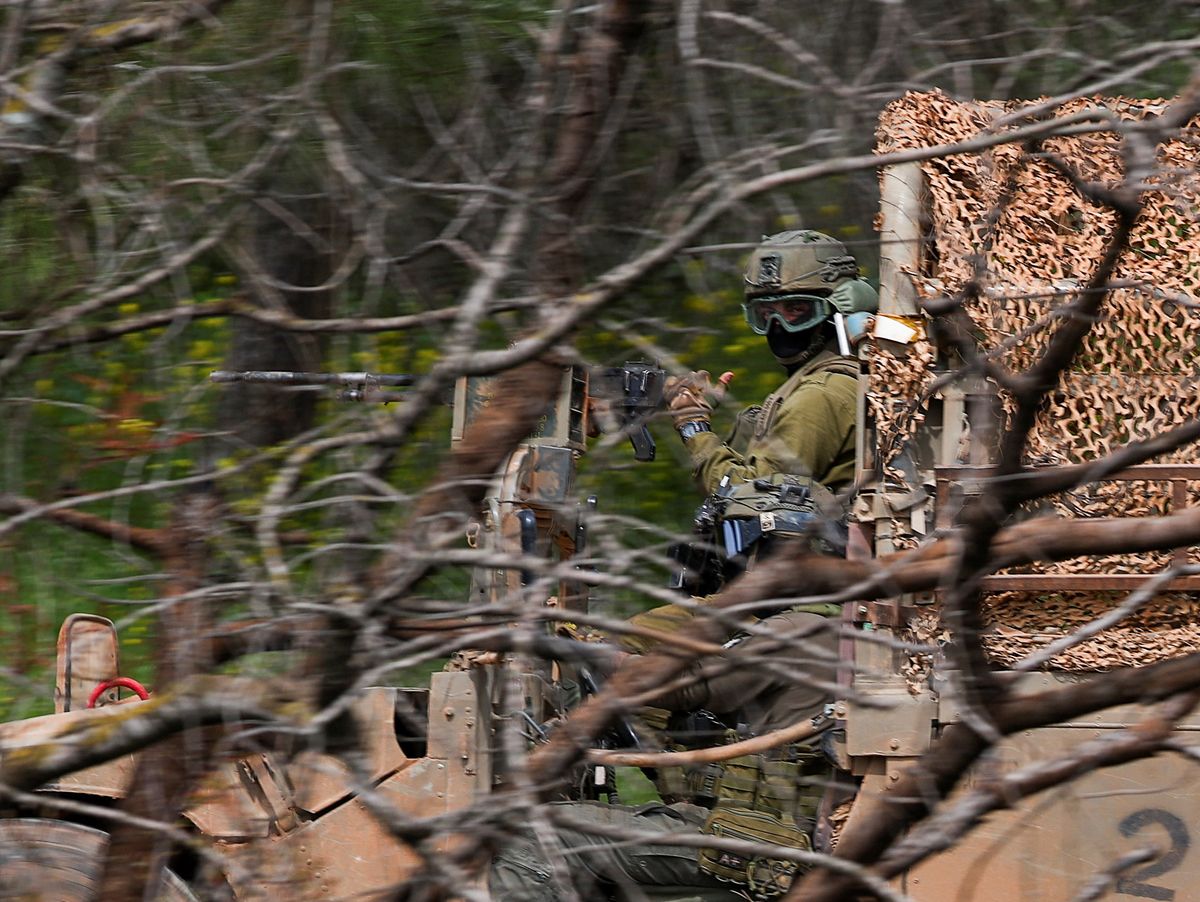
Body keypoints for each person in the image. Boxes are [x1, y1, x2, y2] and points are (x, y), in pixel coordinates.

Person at [489, 231, 878, 902]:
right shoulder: (813, 390)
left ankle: (654, 809)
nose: (778, 329)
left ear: (842, 308)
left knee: (547, 822)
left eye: (796, 312)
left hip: (759, 843)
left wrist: (695, 428)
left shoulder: (824, 394)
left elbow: (749, 492)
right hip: (758, 787)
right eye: (765, 314)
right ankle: (671, 800)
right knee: (627, 663)